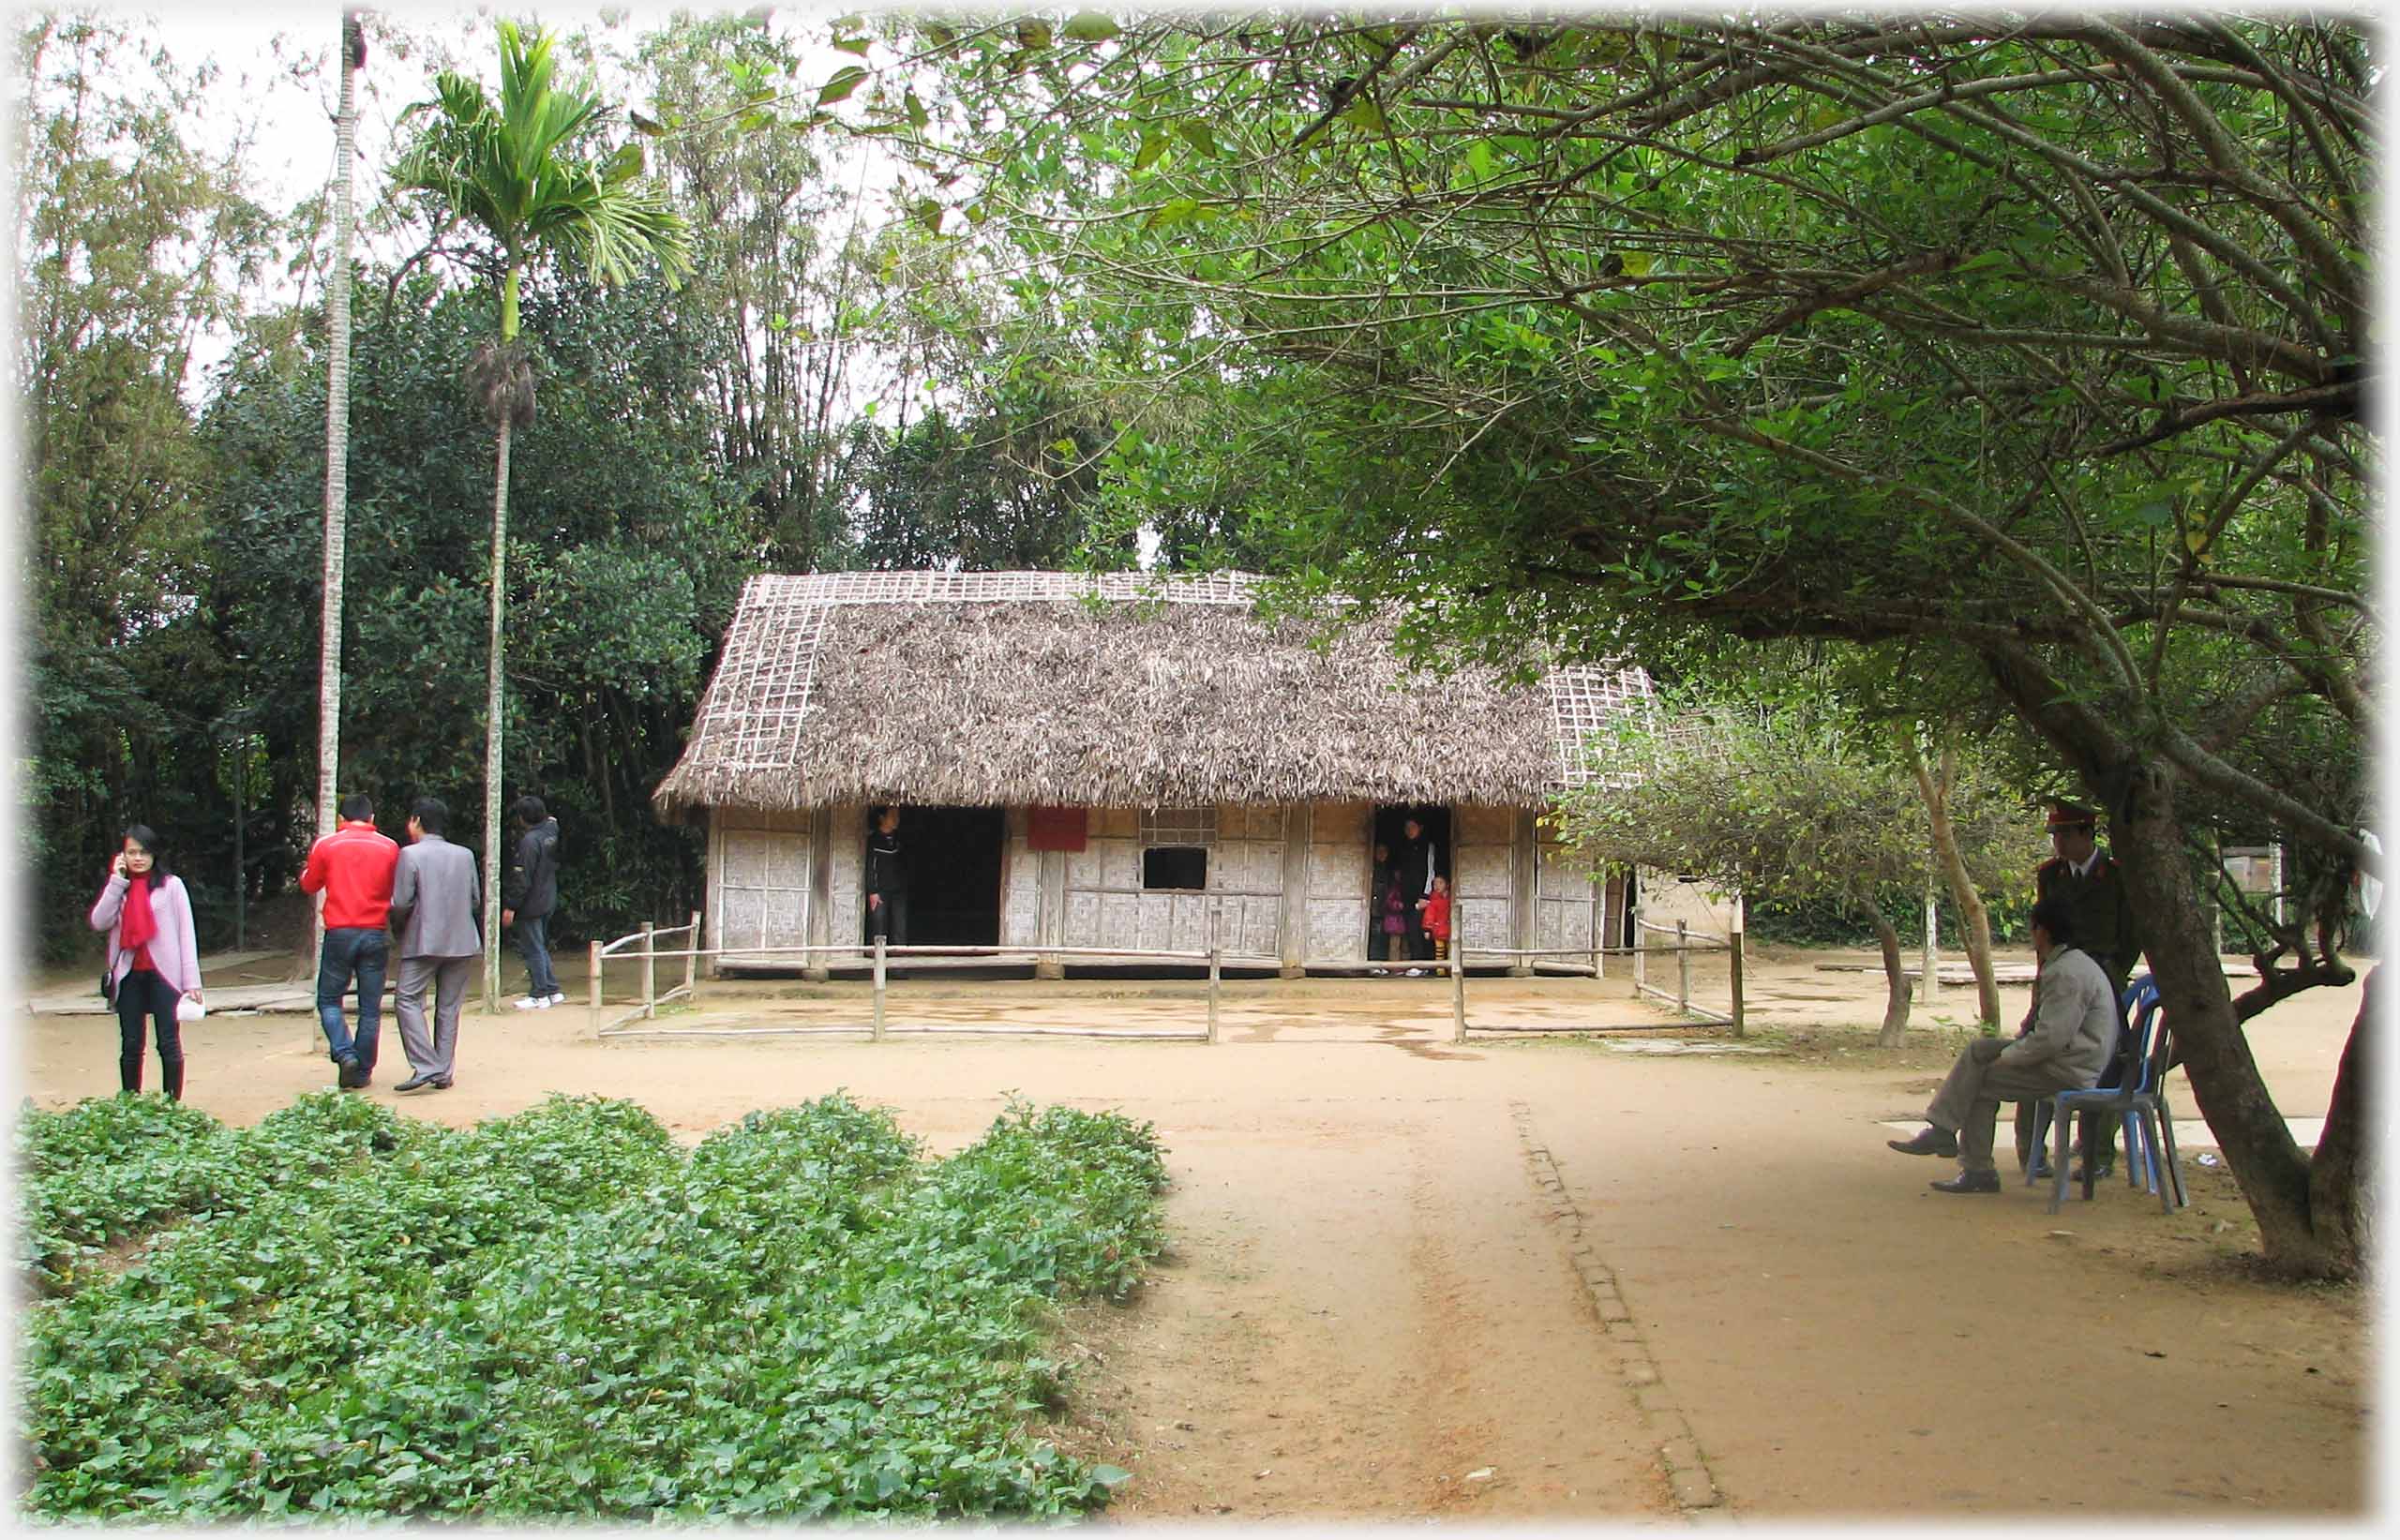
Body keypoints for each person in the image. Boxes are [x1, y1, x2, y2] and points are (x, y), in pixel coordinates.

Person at [1887, 895, 2119, 1193]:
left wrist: (2008, 1057)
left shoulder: (2067, 973)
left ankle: (1977, 1169)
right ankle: (1942, 1129)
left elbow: (2050, 1040)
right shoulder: (2069, 964)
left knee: (1978, 1085)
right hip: (2068, 1055)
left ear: (2042, 931)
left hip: (2070, 1067)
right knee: (1978, 1051)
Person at [2020, 800, 2144, 1180]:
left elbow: (2131, 933)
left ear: (2087, 834)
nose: (2058, 841)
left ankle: (2097, 1154)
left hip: (2104, 978)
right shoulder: (2051, 876)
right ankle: (2032, 1153)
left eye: (2066, 833)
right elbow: (2044, 932)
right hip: (2057, 978)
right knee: (2032, 1049)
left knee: (2105, 1063)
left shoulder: (2117, 876)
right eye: (2055, 834)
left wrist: (2113, 973)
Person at [89, 825, 202, 1099]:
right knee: (131, 1044)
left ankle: (170, 1104)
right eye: (132, 852)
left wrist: (191, 981)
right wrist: (116, 882)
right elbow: (99, 921)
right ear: (122, 856)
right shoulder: (121, 889)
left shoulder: (171, 886)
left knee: (168, 1043)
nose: (138, 858)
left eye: (144, 852)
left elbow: (186, 933)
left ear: (154, 854)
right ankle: (130, 1103)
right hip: (129, 975)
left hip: (165, 975)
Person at [299, 794, 399, 1089]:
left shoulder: (327, 845)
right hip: (375, 930)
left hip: (340, 931)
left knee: (329, 999)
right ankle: (363, 1071)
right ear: (372, 818)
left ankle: (344, 1053)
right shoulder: (390, 847)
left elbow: (310, 883)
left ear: (340, 819)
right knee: (370, 1006)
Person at [388, 797, 481, 1093]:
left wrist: (399, 927)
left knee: (406, 999)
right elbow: (476, 898)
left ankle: (427, 1066)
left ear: (416, 821)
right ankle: (443, 1070)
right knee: (449, 1006)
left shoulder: (410, 854)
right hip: (462, 939)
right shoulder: (464, 855)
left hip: (423, 940)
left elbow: (401, 901)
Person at [501, 795, 564, 1009]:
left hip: (532, 901)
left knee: (533, 947)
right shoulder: (551, 830)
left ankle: (539, 993)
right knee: (540, 945)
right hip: (548, 896)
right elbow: (553, 821)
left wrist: (511, 906)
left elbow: (522, 878)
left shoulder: (529, 842)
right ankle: (552, 988)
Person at [1392, 815, 1441, 970]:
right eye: (1407, 828)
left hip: (1422, 896)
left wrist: (1425, 896)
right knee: (1408, 931)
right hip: (1406, 896)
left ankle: (1422, 965)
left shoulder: (1428, 846)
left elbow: (1430, 871)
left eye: (1412, 827)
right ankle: (1415, 963)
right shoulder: (1403, 846)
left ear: (1420, 828)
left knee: (1419, 930)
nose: (1409, 831)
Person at [864, 805, 908, 947]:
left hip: (898, 890)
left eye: (898, 816)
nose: (896, 819)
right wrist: (873, 891)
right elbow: (871, 867)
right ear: (882, 818)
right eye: (892, 816)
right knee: (879, 927)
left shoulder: (898, 839)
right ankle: (877, 963)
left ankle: (899, 965)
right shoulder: (873, 840)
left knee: (900, 927)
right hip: (880, 891)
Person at [1419, 873, 1454, 963]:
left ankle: (1451, 969)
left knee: (1452, 950)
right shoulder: (1433, 901)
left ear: (1447, 885)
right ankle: (1440, 969)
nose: (1437, 886)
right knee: (1439, 951)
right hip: (1438, 930)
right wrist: (1427, 929)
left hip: (1451, 930)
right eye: (1435, 884)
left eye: (1440, 883)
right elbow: (1429, 916)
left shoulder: (1452, 898)